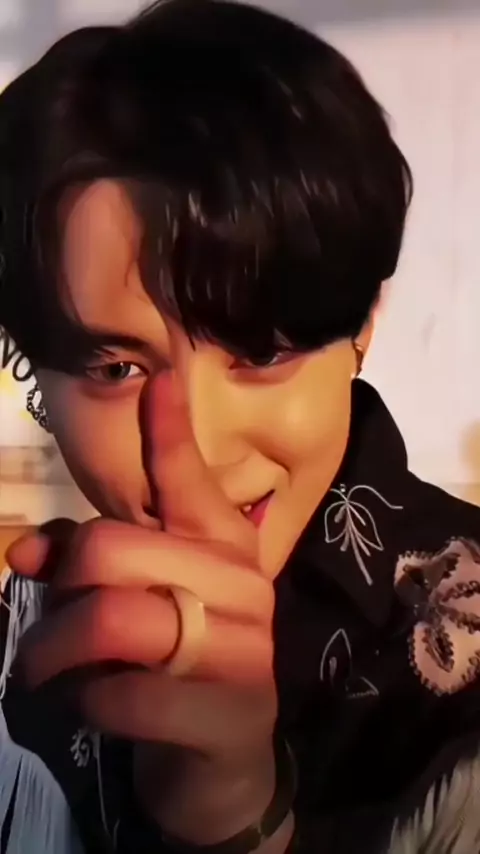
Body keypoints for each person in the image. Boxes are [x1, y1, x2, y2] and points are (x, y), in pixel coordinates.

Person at [1, 1, 480, 852]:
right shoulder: (29, 625)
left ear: (362, 324)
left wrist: (228, 816)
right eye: (115, 369)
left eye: (261, 353)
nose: (202, 451)